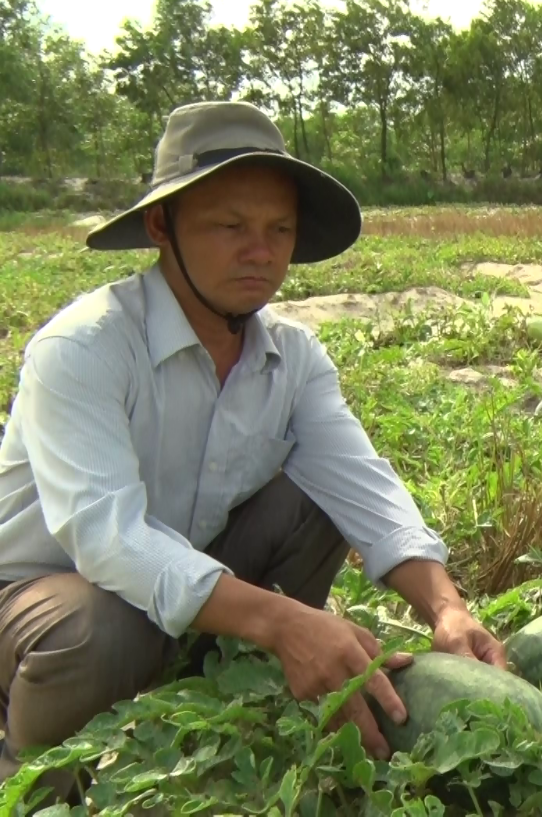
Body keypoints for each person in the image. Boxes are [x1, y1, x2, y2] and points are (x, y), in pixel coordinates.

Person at [0, 101, 504, 801]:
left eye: (279, 229)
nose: (261, 252)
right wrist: (282, 618)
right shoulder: (83, 348)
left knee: (316, 499)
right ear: (160, 226)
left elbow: (362, 485)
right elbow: (107, 539)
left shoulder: (291, 355)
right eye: (231, 226)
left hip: (182, 583)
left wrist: (446, 608)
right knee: (102, 625)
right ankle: (32, 772)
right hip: (37, 600)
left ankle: (234, 697)